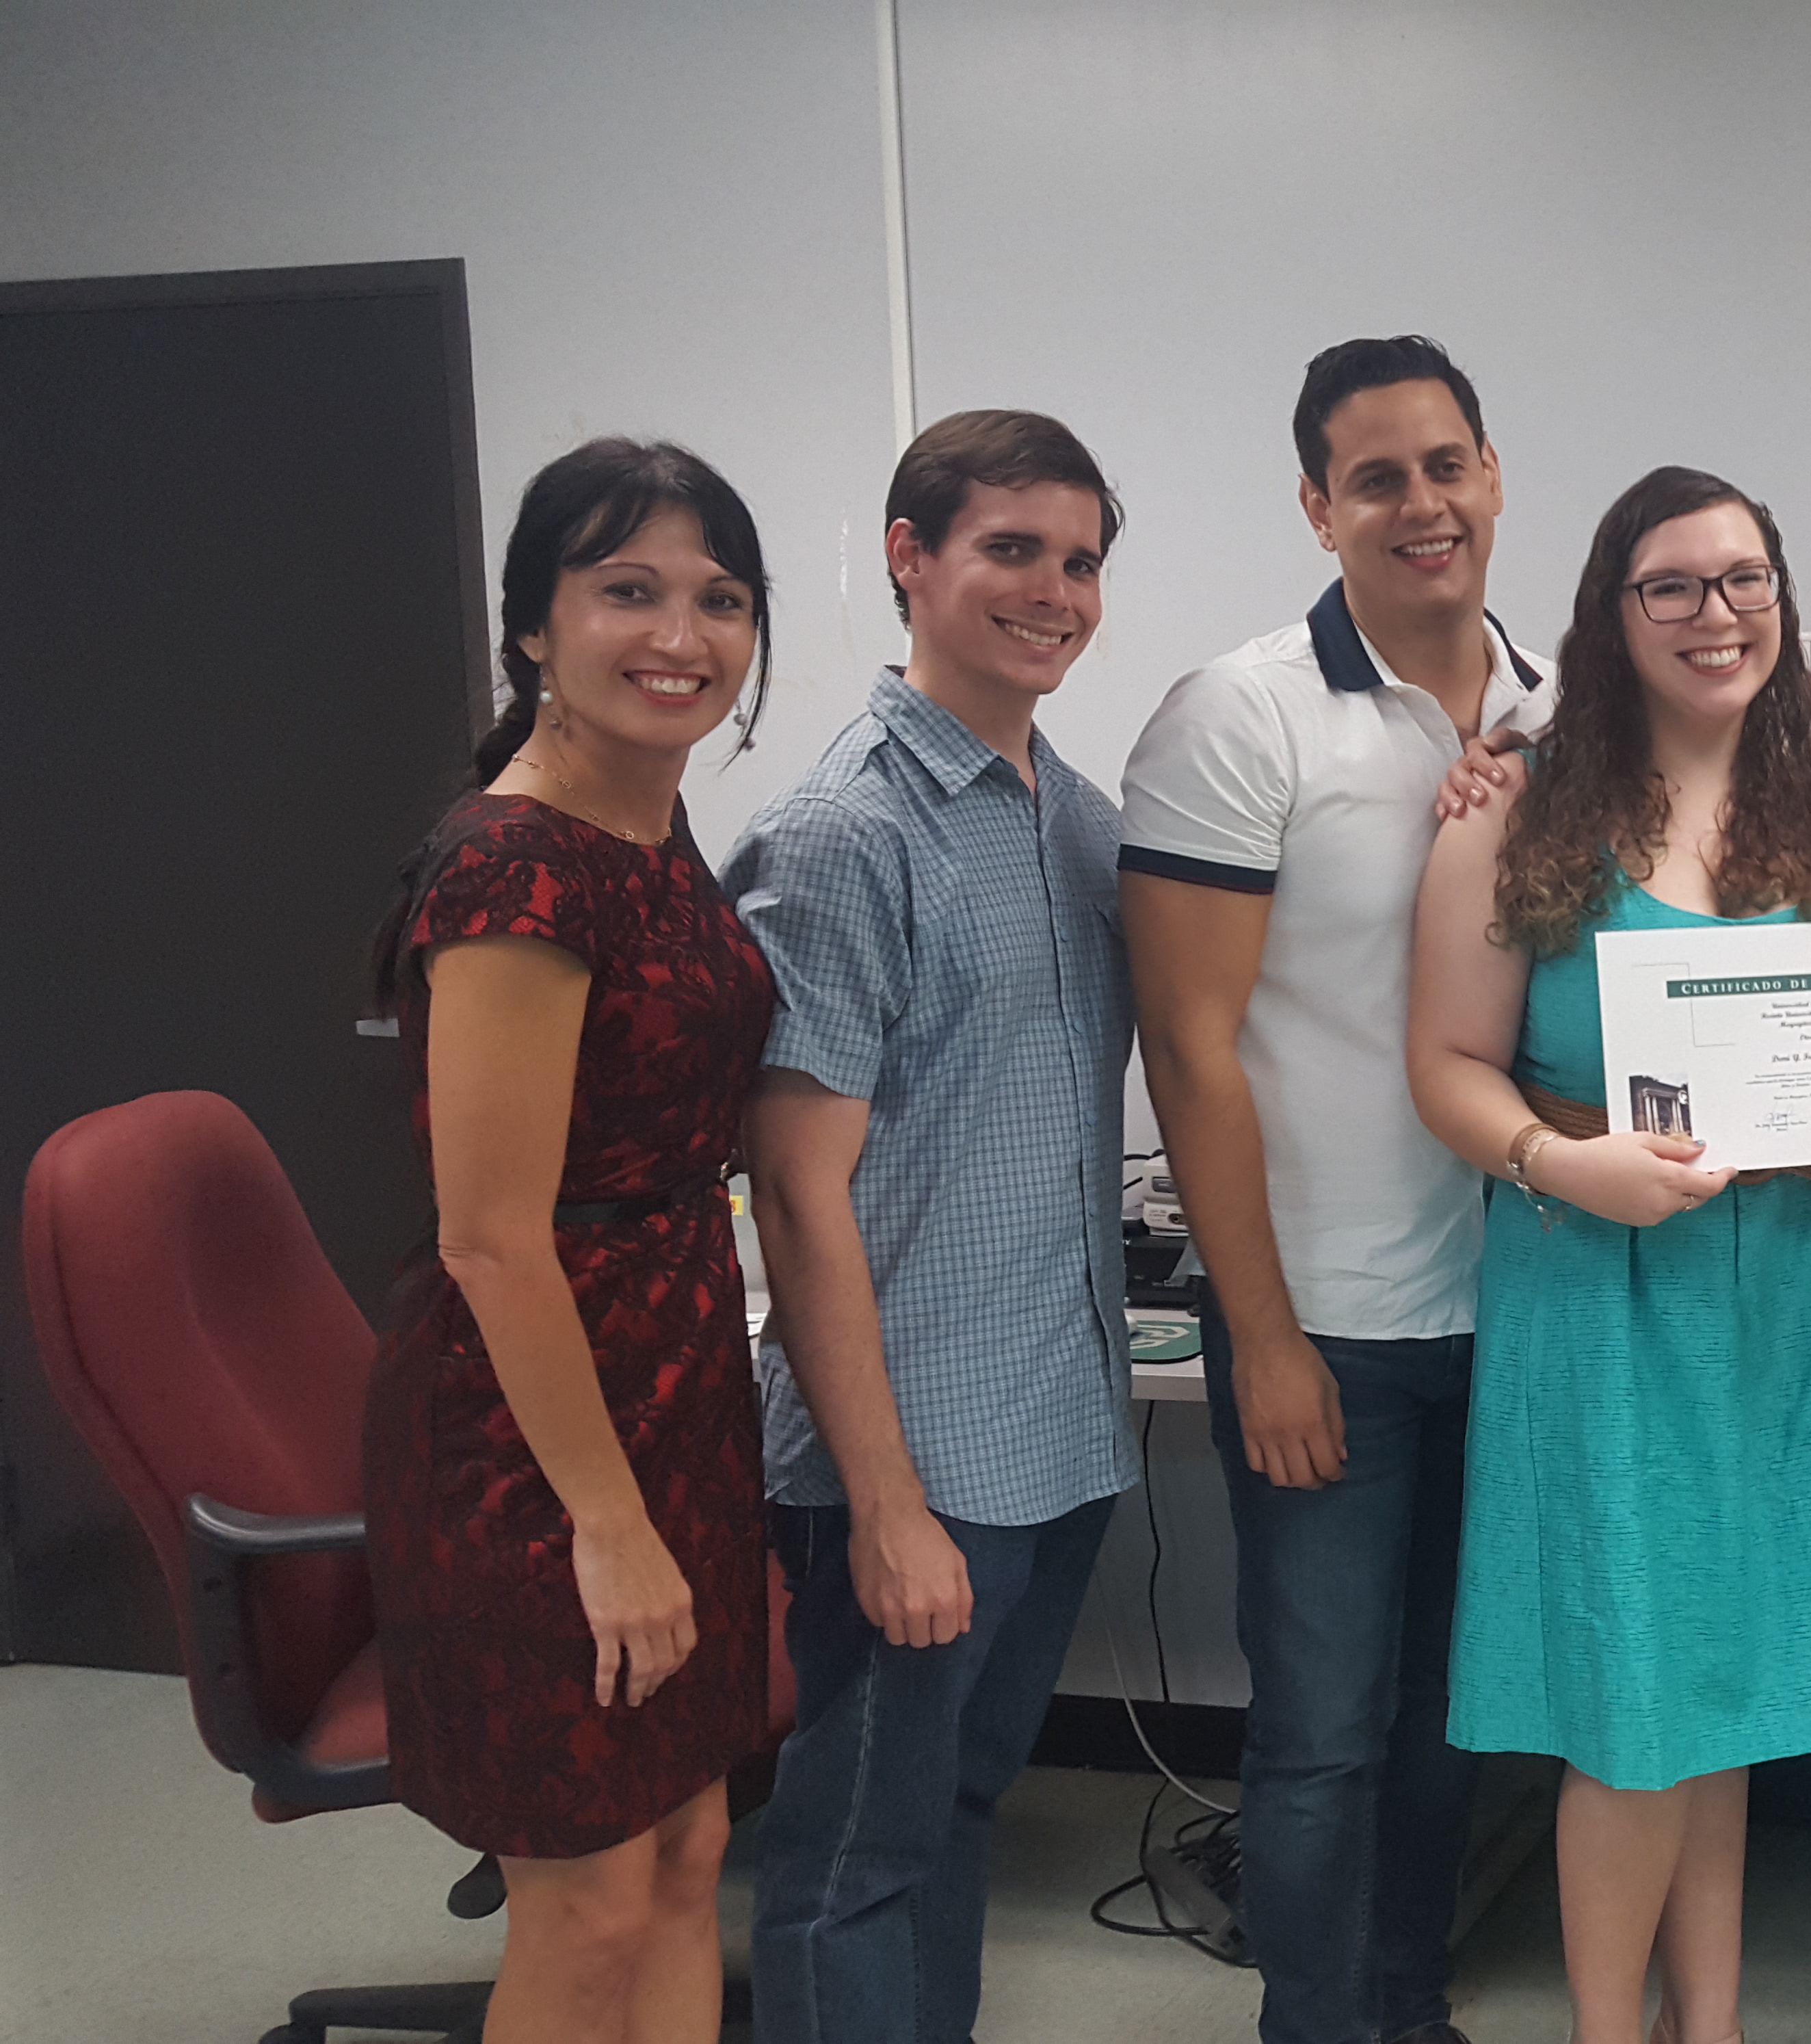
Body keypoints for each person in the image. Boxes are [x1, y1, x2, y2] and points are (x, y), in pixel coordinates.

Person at [1405, 465, 1811, 2044]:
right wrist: (1563, 1162)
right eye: (1674, 587)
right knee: (1632, 1712)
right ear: (1612, 616)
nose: (1718, 615)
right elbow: (1443, 1064)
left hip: (1786, 1305)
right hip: (1603, 1297)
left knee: (1727, 1700)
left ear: (1782, 597)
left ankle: (1713, 2027)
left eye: (1744, 580)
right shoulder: (1513, 812)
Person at [1117, 333, 1550, 2044]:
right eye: (1377, 477)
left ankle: (1406, 2006)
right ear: (1318, 506)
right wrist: (1262, 1334)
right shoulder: (1240, 716)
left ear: (1494, 472)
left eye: (1447, 463)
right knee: (1319, 1730)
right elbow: (1190, 1051)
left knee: (1452, 1717)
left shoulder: (1557, 707)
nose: (1421, 503)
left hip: (1516, 1307)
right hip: (1331, 1322)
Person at [361, 437, 779, 2044]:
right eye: (629, 591)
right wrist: (605, 1526)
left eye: (718, 598)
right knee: (591, 1899)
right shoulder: (514, 867)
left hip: (676, 1384)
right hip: (532, 1443)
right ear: (534, 624)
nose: (681, 632)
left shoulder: (647, 822)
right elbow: (491, 1243)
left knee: (688, 1852)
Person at [728, 409, 1139, 2043]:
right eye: (1012, 551)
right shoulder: (845, 836)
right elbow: (795, 1198)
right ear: (911, 559)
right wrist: (884, 1508)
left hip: (1057, 1427)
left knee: (957, 1817)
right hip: (910, 1461)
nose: (1054, 592)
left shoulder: (1070, 817)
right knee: (855, 1856)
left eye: (1082, 561)